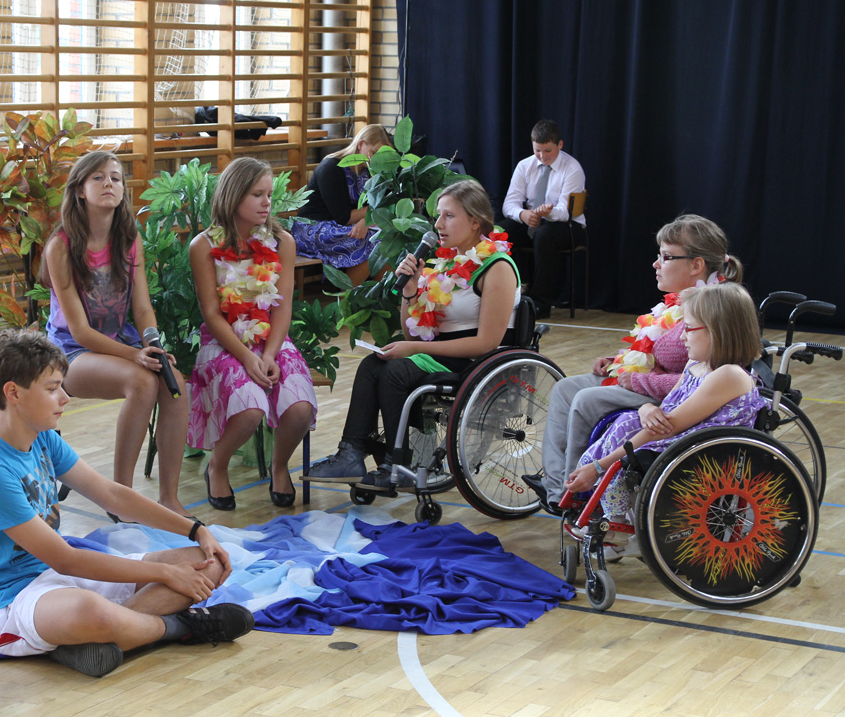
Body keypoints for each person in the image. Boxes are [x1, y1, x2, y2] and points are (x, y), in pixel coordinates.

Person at [0, 330, 253, 678]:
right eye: (52, 388)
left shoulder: (43, 437)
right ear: (13, 393)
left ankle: (100, 638)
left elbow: (113, 496)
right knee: (90, 611)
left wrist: (196, 530)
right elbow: (67, 560)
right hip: (13, 600)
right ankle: (181, 627)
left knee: (208, 562)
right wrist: (164, 573)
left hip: (59, 580)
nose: (65, 397)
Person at [304, 179, 520, 490]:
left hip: (476, 361)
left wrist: (414, 349)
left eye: (448, 216)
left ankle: (398, 463)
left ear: (475, 221)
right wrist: (409, 291)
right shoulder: (445, 263)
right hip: (439, 354)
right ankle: (351, 454)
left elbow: (487, 342)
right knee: (371, 365)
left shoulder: (497, 266)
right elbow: (414, 333)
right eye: (438, 215)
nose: (438, 224)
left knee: (396, 371)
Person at [525, 214, 744, 513]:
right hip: (647, 383)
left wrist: (637, 379)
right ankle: (557, 488)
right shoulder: (677, 302)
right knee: (565, 388)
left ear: (696, 265)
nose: (656, 264)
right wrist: (618, 362)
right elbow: (654, 351)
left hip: (673, 397)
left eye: (666, 257)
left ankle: (577, 493)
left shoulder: (712, 309)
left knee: (586, 399)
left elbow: (699, 379)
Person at [564, 283, 767, 557]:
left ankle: (615, 519)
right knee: (626, 421)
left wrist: (601, 466)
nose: (682, 337)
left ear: (718, 330)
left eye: (689, 328)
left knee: (627, 429)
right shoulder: (695, 366)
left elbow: (667, 427)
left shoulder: (729, 375)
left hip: (703, 457)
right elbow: (666, 410)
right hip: (680, 442)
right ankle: (609, 511)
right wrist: (647, 408)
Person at [42, 151, 191, 517]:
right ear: (80, 190)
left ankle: (169, 498)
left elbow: (142, 309)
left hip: (122, 342)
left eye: (115, 177)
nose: (109, 183)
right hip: (71, 352)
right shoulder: (60, 246)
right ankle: (120, 498)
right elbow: (79, 330)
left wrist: (153, 345)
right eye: (98, 177)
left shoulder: (128, 238)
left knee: (176, 385)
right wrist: (135, 355)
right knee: (141, 381)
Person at [188, 156, 317, 510]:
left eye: (269, 195)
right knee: (250, 409)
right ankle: (217, 466)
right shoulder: (203, 246)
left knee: (300, 408)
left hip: (271, 340)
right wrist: (247, 357)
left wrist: (270, 354)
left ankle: (279, 466)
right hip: (224, 342)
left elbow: (282, 308)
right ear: (233, 196)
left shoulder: (282, 242)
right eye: (257, 195)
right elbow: (211, 314)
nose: (266, 203)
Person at [497, 119, 586, 319]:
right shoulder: (524, 166)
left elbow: (566, 212)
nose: (542, 156)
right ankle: (504, 294)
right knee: (499, 233)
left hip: (566, 225)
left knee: (545, 236)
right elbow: (509, 204)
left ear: (559, 145)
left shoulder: (572, 168)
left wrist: (547, 212)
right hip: (532, 221)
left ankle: (540, 303)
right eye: (537, 150)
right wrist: (523, 214)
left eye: (548, 151)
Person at [292, 124, 394, 286]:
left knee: (390, 240)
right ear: (361, 144)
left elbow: (384, 206)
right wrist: (371, 215)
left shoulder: (369, 170)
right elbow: (343, 216)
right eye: (374, 152)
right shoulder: (331, 167)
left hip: (342, 226)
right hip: (313, 228)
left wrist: (367, 220)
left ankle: (377, 295)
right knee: (373, 243)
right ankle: (347, 296)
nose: (376, 159)